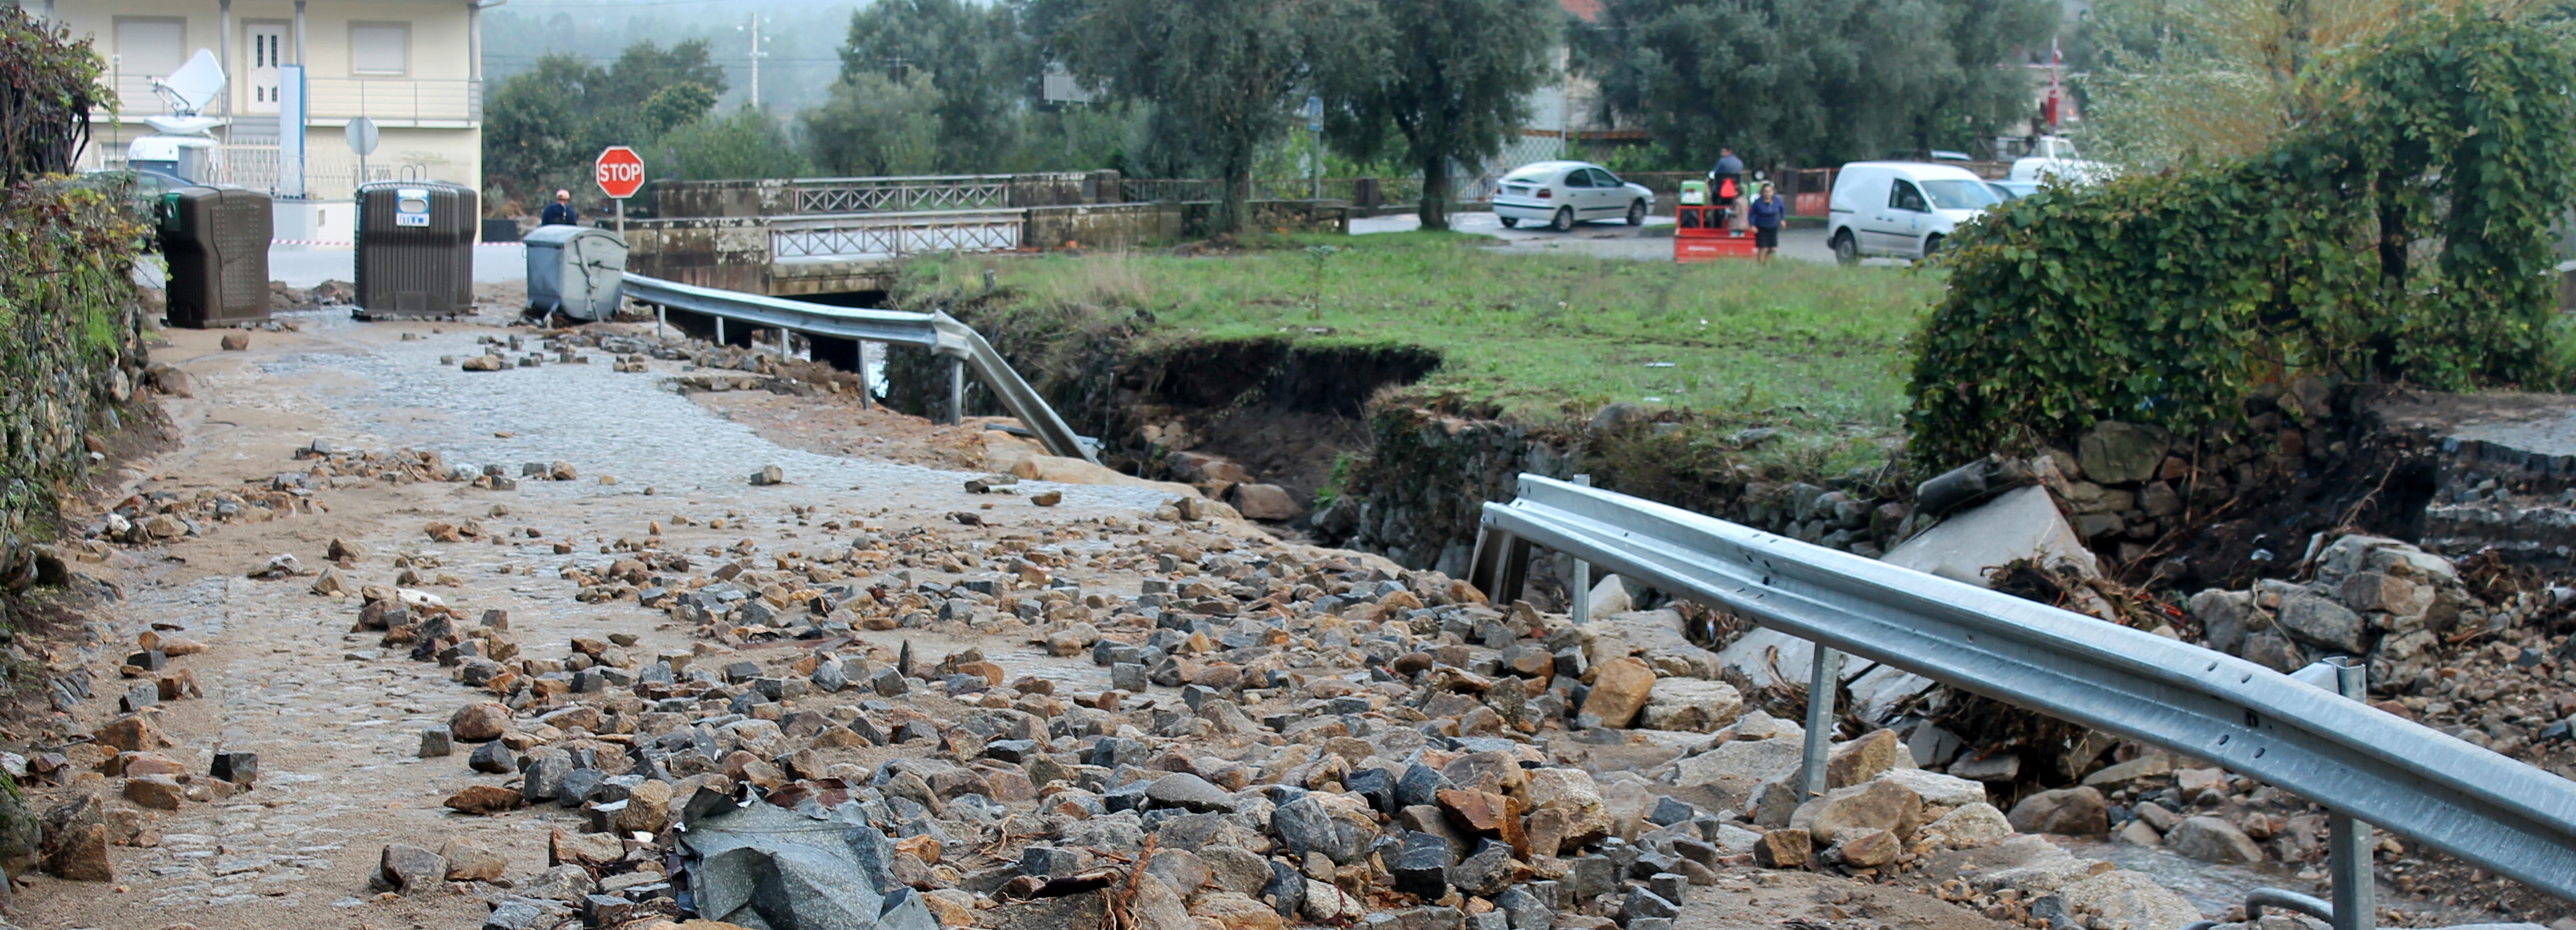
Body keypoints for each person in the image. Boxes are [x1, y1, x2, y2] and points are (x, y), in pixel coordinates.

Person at [1748, 183, 1785, 264]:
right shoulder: (1758, 203)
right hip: (1761, 228)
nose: (1768, 194)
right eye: (1766, 192)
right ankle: (1761, 264)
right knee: (1764, 248)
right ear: (1762, 192)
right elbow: (1751, 214)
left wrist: (1783, 219)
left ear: (1773, 192)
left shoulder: (1777, 200)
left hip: (1773, 227)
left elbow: (1782, 209)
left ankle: (1767, 263)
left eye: (1770, 191)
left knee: (1773, 249)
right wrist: (1752, 225)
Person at [1710, 147, 1744, 227]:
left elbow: (1716, 173)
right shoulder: (1739, 162)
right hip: (1735, 187)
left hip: (1721, 188)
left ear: (1730, 151)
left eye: (1724, 152)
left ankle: (1717, 224)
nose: (1722, 153)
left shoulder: (1722, 161)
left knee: (1714, 195)